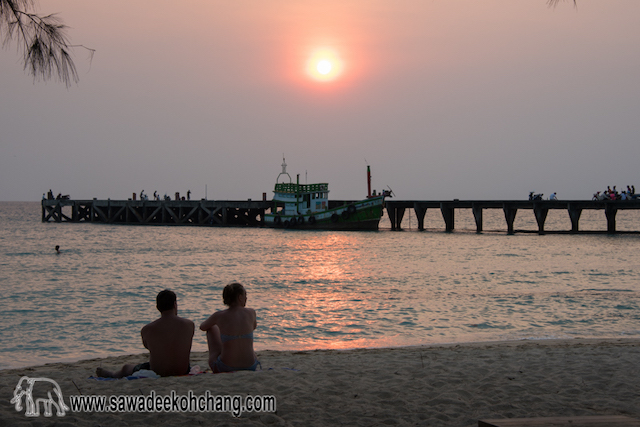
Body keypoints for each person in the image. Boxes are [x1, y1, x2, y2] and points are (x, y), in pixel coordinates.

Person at [96, 289, 194, 378]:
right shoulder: (189, 325)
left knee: (127, 368)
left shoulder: (147, 329)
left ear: (157, 307)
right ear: (174, 305)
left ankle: (111, 374)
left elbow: (149, 347)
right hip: (182, 369)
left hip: (158, 371)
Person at [200, 282, 259, 373]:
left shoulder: (219, 315)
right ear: (240, 297)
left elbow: (203, 327)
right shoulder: (251, 312)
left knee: (212, 328)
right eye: (245, 295)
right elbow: (253, 327)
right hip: (251, 366)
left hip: (225, 367)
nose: (246, 298)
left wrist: (221, 327)